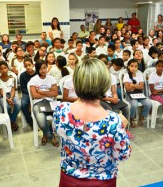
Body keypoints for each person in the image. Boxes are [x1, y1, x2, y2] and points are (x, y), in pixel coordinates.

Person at [53, 59, 131, 187]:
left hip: (69, 179)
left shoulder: (61, 110)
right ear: (104, 84)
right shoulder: (113, 121)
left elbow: (58, 130)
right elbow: (123, 155)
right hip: (102, 181)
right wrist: (122, 127)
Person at [29, 60, 59, 147]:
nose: (43, 70)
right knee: (42, 122)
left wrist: (41, 92)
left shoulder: (51, 79)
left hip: (50, 102)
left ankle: (45, 134)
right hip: (38, 103)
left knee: (61, 116)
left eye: (45, 68)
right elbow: (34, 95)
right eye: (41, 68)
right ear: (37, 69)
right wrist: (48, 92)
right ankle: (51, 137)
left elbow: (55, 93)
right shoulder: (33, 80)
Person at [124, 59, 152, 127]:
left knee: (148, 103)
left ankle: (142, 117)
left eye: (136, 66)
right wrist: (137, 86)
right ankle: (131, 118)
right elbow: (127, 88)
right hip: (129, 94)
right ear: (128, 66)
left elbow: (141, 87)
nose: (134, 68)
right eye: (132, 66)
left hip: (139, 94)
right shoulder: (126, 75)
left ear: (137, 67)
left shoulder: (139, 74)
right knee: (134, 105)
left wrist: (133, 85)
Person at [0, 61, 21, 132]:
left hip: (11, 95)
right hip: (2, 96)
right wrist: (7, 100)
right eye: (1, 69)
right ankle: (11, 123)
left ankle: (11, 121)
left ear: (8, 68)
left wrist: (11, 98)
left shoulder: (12, 78)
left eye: (5, 68)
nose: (4, 70)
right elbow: (1, 91)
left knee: (18, 104)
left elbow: (13, 89)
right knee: (6, 106)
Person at [19, 58, 36, 127]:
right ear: (24, 67)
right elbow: (23, 88)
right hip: (27, 93)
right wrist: (31, 93)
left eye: (29, 65)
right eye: (26, 66)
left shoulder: (37, 73)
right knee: (23, 104)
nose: (28, 67)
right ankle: (30, 120)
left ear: (33, 65)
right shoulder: (22, 75)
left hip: (37, 92)